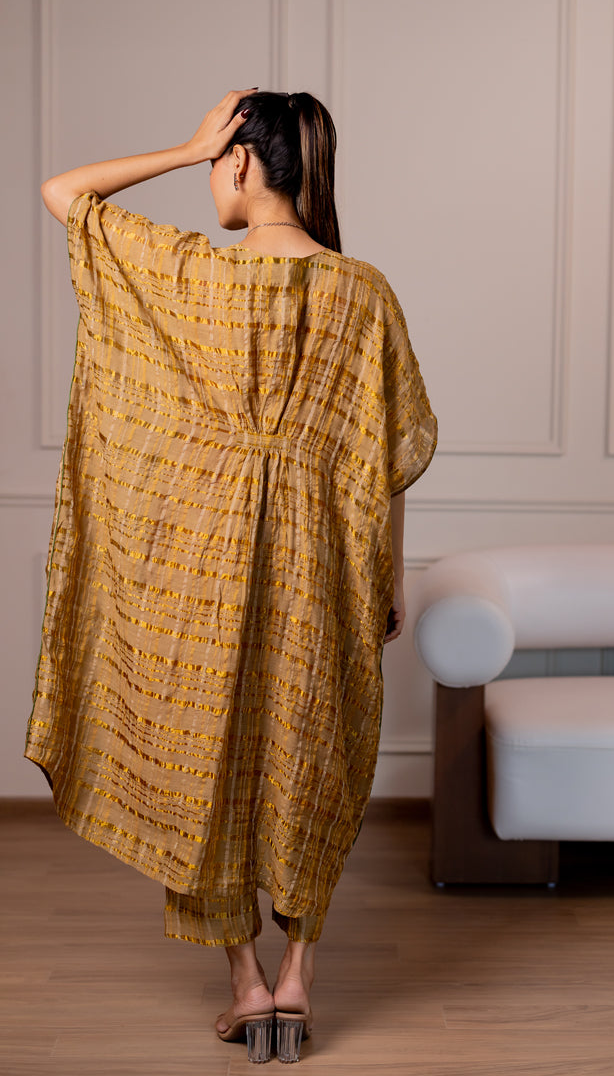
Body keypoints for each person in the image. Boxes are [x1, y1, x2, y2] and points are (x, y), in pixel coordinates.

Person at [25, 89, 437, 1063]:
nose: (211, 177)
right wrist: (389, 575)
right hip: (322, 564)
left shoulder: (193, 274)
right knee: (310, 751)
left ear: (242, 163)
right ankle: (299, 977)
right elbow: (387, 455)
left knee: (199, 756)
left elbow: (64, 193)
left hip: (197, 568)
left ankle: (247, 983)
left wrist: (183, 146)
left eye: (218, 162)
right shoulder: (363, 292)